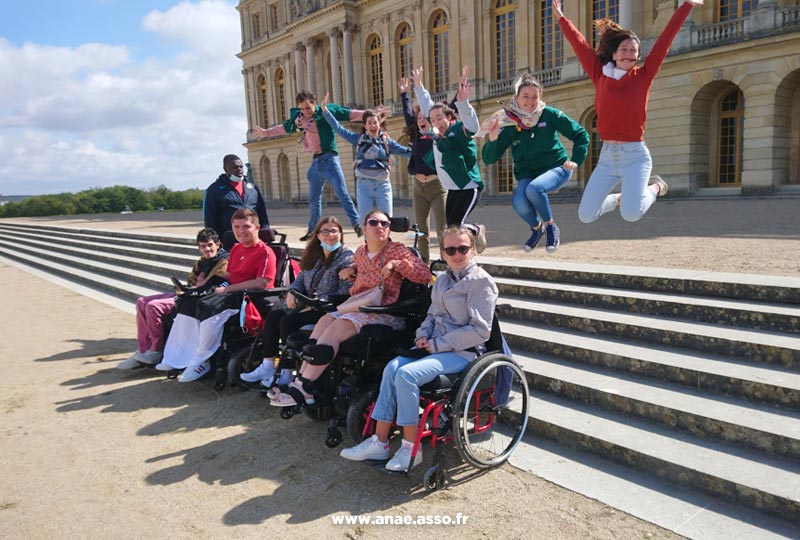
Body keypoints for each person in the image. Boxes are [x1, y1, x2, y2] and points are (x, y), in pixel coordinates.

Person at [339, 225, 498, 471]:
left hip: (462, 352)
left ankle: (411, 448)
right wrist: (422, 336)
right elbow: (432, 316)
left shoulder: (481, 282)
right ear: (443, 253)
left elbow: (479, 331)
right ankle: (379, 441)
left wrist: (436, 344)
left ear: (473, 249)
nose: (457, 254)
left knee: (406, 374)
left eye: (463, 249)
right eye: (450, 249)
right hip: (436, 347)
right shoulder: (443, 280)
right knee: (392, 367)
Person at [553, 0, 703, 223]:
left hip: (635, 157)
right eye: (624, 49)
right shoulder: (599, 74)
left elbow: (665, 40)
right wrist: (561, 18)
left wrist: (686, 5)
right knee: (586, 215)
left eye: (633, 51)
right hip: (607, 158)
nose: (628, 54)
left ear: (638, 56)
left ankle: (655, 188)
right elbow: (580, 44)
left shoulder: (643, 76)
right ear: (613, 54)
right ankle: (620, 198)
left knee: (631, 214)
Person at [269, 209, 432, 407]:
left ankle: (304, 386)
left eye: (384, 223)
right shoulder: (361, 252)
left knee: (335, 329)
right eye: (374, 222)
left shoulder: (396, 250)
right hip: (358, 308)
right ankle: (303, 384)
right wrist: (351, 270)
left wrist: (396, 264)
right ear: (364, 228)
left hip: (385, 312)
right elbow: (363, 269)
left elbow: (424, 275)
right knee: (323, 322)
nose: (379, 227)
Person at [156, 208, 277, 382]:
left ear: (257, 227)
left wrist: (226, 289)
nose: (241, 231)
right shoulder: (236, 249)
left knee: (209, 309)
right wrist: (210, 277)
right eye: (236, 227)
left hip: (249, 298)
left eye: (246, 226)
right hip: (230, 292)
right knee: (186, 304)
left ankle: (201, 361)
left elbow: (262, 282)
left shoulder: (265, 252)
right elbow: (233, 274)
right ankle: (177, 356)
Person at [239, 216, 354, 386]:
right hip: (306, 303)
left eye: (334, 231)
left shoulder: (346, 257)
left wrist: (313, 302)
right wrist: (292, 291)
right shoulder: (315, 255)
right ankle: (268, 365)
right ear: (318, 235)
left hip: (327, 308)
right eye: (325, 231)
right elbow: (301, 279)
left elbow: (344, 291)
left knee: (287, 322)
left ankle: (286, 371)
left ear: (341, 234)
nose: (330, 235)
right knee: (273, 317)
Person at [482, 73, 589, 253]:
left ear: (540, 98)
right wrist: (492, 140)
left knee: (534, 188)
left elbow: (581, 135)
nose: (530, 101)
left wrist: (575, 160)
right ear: (516, 97)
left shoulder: (550, 114)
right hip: (528, 174)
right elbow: (488, 158)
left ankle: (551, 227)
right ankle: (537, 228)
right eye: (525, 96)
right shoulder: (509, 123)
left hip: (557, 168)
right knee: (519, 203)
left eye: (535, 97)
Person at [252, 91, 367, 240]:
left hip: (330, 159)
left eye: (308, 108)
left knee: (342, 194)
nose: (306, 111)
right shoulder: (298, 118)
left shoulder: (325, 111)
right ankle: (312, 230)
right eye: (302, 109)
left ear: (314, 103)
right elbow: (284, 127)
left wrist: (369, 114)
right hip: (316, 162)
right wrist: (266, 133)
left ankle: (356, 224)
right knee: (314, 199)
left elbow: (349, 113)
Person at [117, 228, 229, 369]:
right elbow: (192, 280)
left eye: (210, 245)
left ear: (217, 244)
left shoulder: (223, 261)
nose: (207, 249)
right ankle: (143, 349)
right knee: (141, 302)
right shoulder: (202, 261)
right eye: (203, 246)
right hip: (189, 293)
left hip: (199, 298)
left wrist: (198, 284)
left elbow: (209, 285)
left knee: (154, 306)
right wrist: (191, 285)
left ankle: (155, 350)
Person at [412, 65, 487, 253]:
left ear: (449, 118)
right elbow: (427, 105)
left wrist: (463, 103)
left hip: (468, 187)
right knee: (450, 229)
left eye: (440, 118)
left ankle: (476, 231)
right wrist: (419, 86)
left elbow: (472, 128)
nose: (436, 122)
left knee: (456, 225)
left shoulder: (457, 130)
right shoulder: (436, 134)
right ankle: (459, 256)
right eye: (433, 119)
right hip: (453, 188)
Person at [321, 93, 412, 224]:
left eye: (375, 122)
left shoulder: (387, 141)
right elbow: (339, 129)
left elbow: (405, 152)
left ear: (379, 124)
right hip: (364, 185)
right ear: (365, 126)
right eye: (369, 123)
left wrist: (424, 148)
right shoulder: (358, 139)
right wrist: (325, 111)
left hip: (383, 184)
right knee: (365, 223)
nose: (373, 125)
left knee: (386, 222)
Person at [398, 76, 447, 264]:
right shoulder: (417, 137)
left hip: (437, 186)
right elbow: (408, 114)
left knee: (442, 228)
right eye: (418, 119)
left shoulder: (437, 137)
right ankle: (424, 262)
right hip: (419, 187)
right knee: (421, 230)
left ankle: (445, 260)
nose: (420, 121)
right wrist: (404, 94)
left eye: (423, 118)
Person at [203, 154, 270, 237]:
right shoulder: (214, 190)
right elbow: (210, 220)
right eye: (234, 167)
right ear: (225, 169)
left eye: (241, 167)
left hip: (253, 238)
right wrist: (216, 241)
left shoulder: (252, 188)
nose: (239, 170)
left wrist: (266, 232)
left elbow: (262, 214)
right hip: (229, 240)